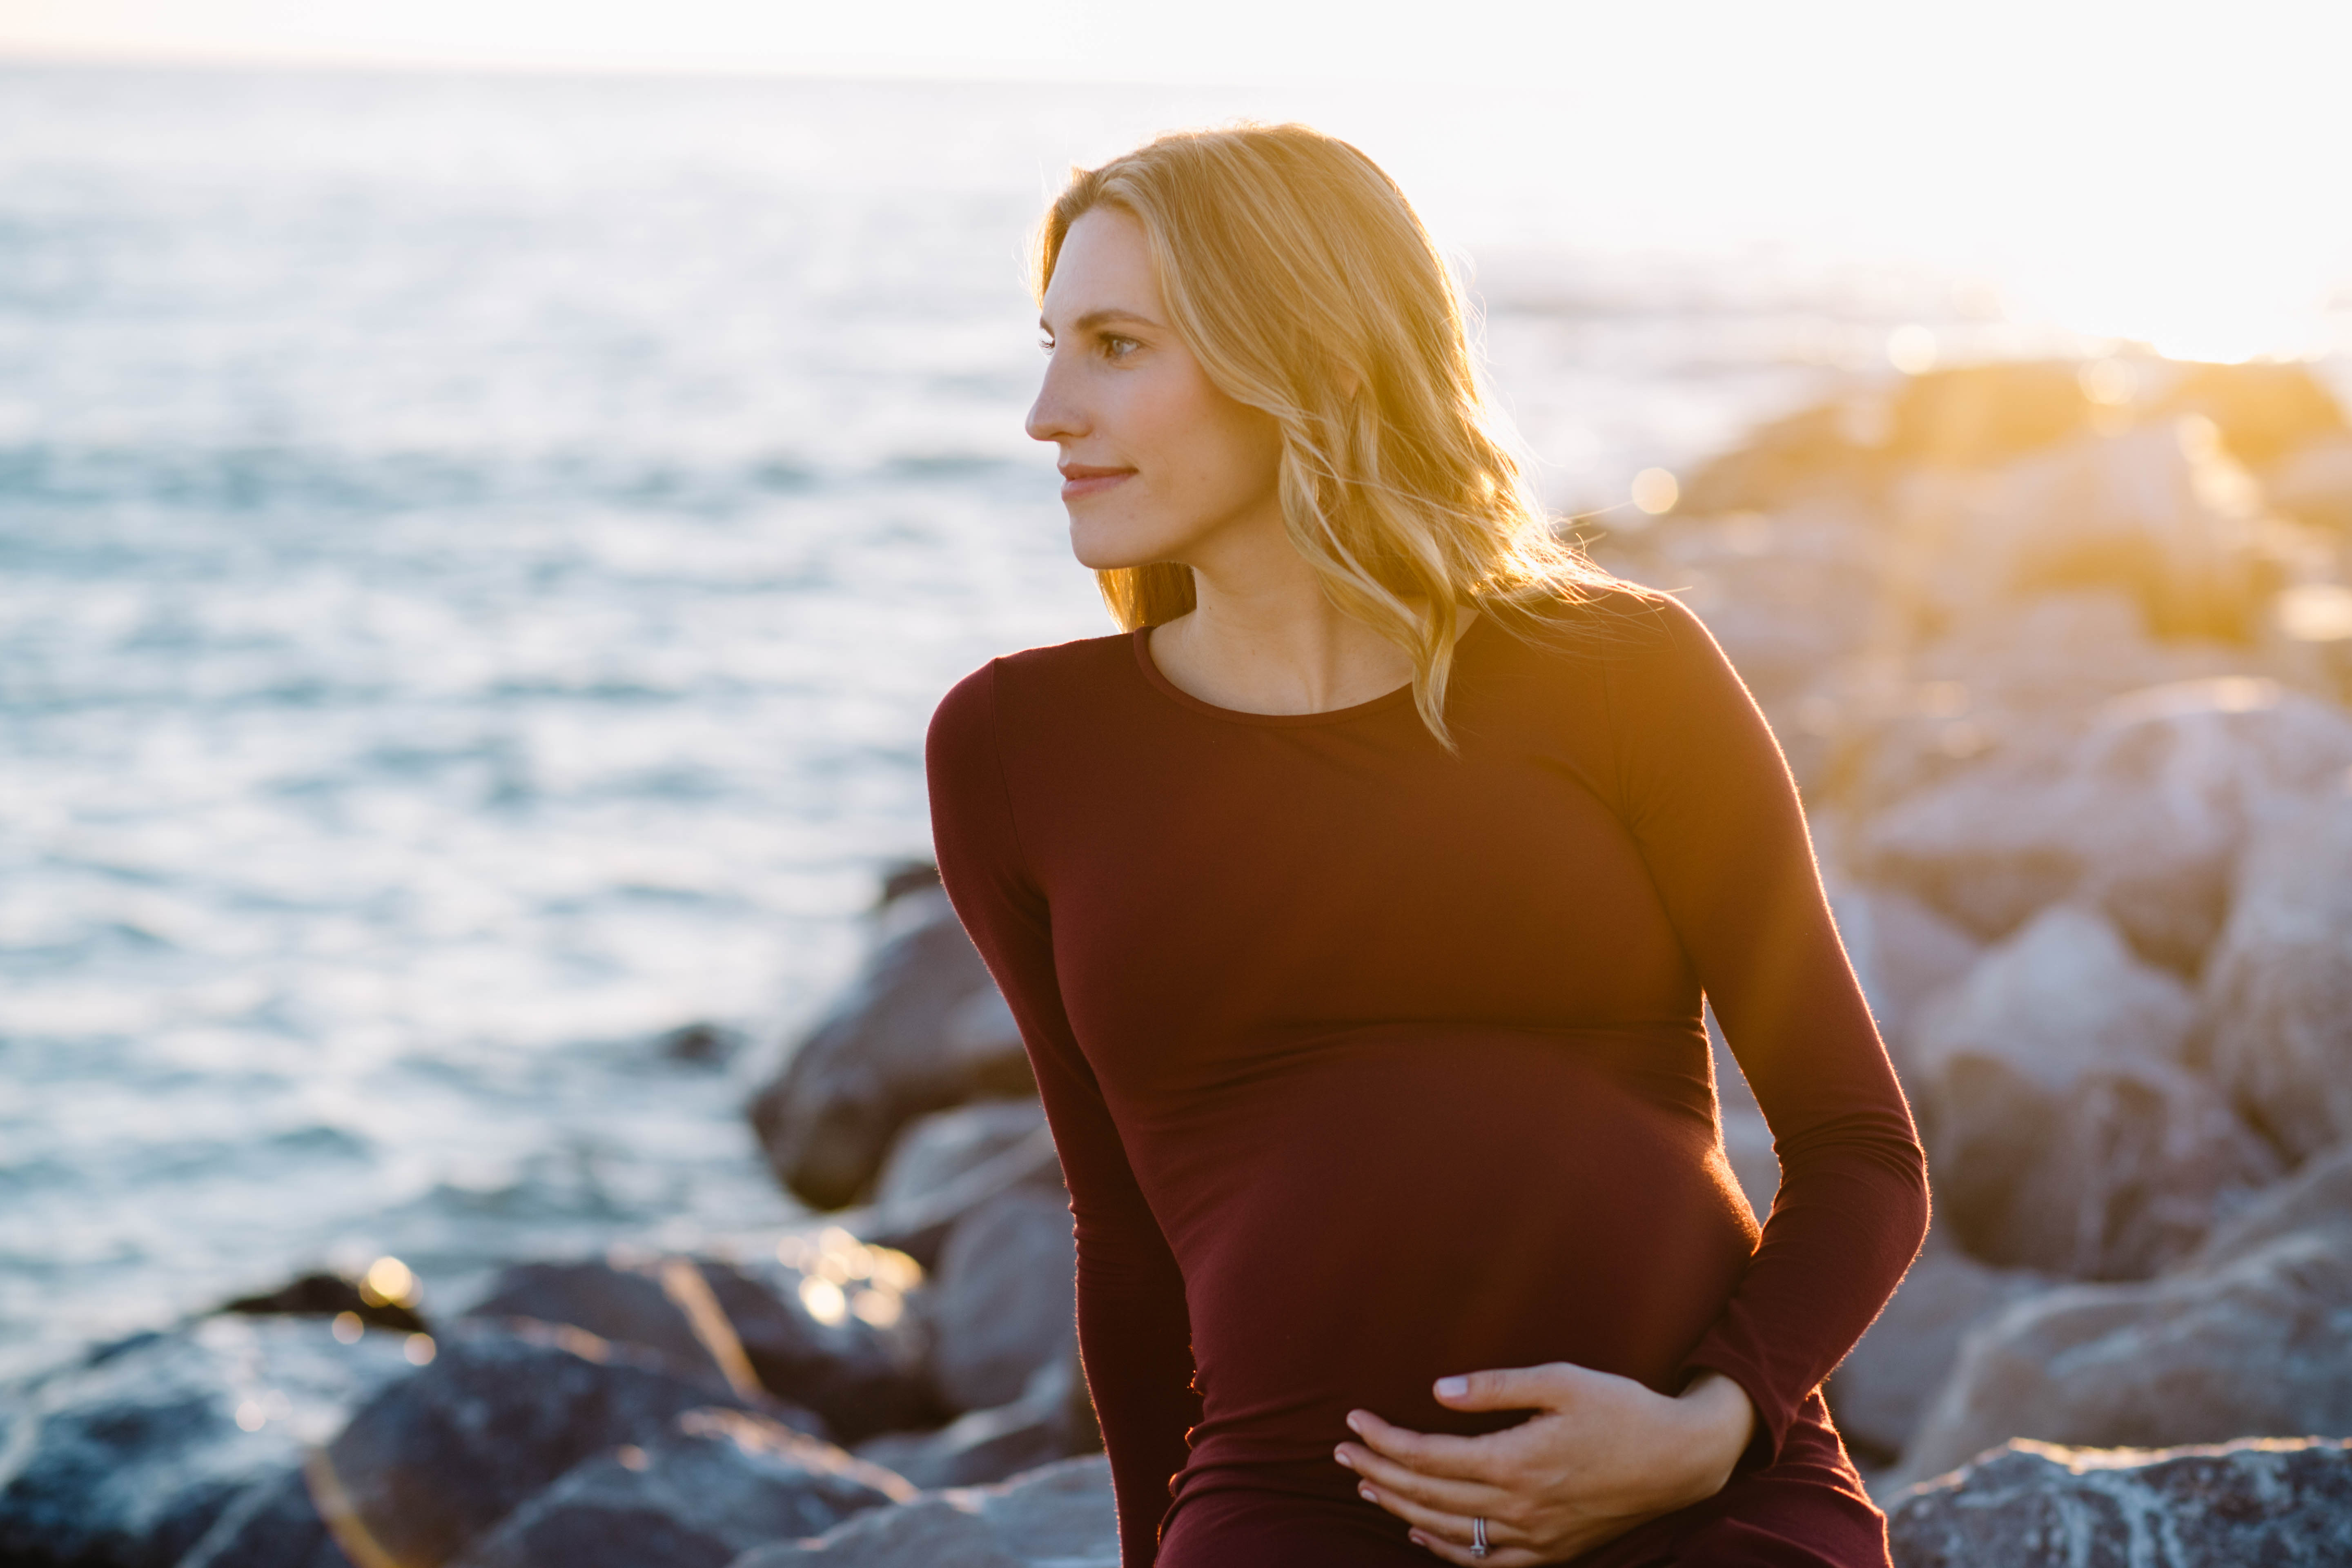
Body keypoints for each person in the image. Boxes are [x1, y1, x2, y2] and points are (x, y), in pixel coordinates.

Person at [924, 123, 1929, 1567]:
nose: (1046, 410)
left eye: (1117, 346)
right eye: (1053, 343)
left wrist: (1710, 1428)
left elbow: (1862, 1155)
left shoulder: (1620, 673)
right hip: (1289, 1504)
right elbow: (1126, 1246)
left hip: (1703, 1501)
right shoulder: (1022, 750)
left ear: (1316, 358)